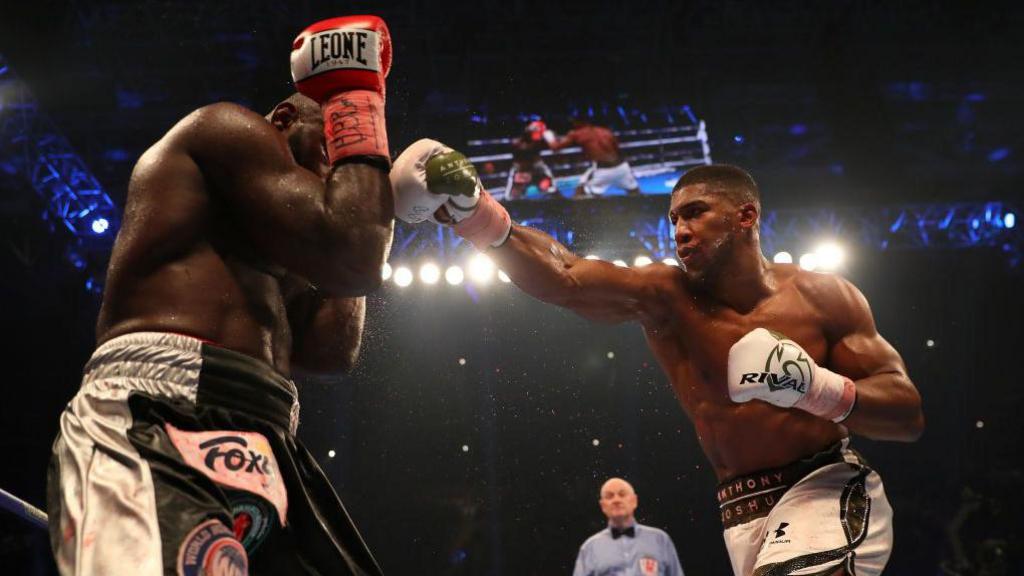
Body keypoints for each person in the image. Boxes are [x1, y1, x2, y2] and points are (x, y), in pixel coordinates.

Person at [390, 146, 924, 576]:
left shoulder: (825, 298)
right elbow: (568, 277)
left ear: (747, 215)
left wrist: (815, 387)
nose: (680, 230)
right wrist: (478, 216)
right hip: (741, 512)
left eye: (695, 213)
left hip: (823, 485)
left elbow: (907, 415)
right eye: (673, 219)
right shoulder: (667, 297)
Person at [46, 15, 394, 576]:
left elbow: (330, 352)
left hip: (271, 428)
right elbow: (354, 252)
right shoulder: (224, 129)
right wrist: (356, 103)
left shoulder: (300, 245)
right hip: (156, 408)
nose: (341, 170)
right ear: (283, 120)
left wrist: (373, 207)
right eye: (331, 147)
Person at [573, 477, 685, 576]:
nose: (616, 500)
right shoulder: (590, 548)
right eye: (609, 496)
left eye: (622, 494)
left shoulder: (660, 539)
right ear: (603, 506)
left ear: (634, 501)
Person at [544, 117, 641, 197]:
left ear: (576, 122)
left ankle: (579, 218)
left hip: (602, 170)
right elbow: (618, 150)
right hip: (622, 167)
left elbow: (555, 147)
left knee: (580, 192)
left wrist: (548, 136)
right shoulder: (605, 131)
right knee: (635, 194)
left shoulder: (576, 134)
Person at [504, 120, 559, 200]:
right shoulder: (519, 143)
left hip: (536, 166)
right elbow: (519, 146)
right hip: (521, 168)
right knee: (511, 197)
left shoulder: (541, 138)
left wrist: (549, 137)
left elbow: (554, 147)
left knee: (551, 187)